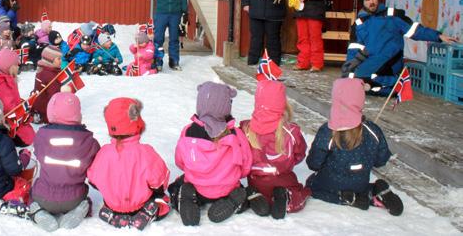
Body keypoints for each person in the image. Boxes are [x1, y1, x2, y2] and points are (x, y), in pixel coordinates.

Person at [306, 78, 403, 216]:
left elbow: (313, 163)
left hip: (330, 183)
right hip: (360, 183)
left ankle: (345, 198)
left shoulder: (328, 131)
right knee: (357, 185)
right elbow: (381, 161)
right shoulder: (373, 130)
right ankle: (374, 192)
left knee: (312, 185)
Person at [343, 0, 457, 96]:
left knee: (369, 77)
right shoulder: (359, 24)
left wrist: (438, 36)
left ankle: (397, 82)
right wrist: (348, 71)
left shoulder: (392, 15)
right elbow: (354, 48)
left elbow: (415, 30)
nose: (371, 2)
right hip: (373, 60)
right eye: (367, 0)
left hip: (392, 59)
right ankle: (380, 88)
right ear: (363, 3)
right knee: (355, 79)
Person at [171, 82, 251, 226]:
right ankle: (234, 201)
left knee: (177, 186)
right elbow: (246, 166)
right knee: (241, 192)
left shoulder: (188, 132)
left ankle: (187, 198)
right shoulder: (236, 134)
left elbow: (180, 161)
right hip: (228, 188)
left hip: (198, 187)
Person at [87, 98, 170, 230]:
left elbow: (93, 180)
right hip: (140, 204)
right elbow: (159, 182)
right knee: (163, 198)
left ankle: (112, 213)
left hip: (113, 205)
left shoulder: (104, 153)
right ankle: (146, 212)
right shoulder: (145, 153)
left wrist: (110, 188)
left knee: (112, 199)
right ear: (136, 121)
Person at [30, 92, 100, 232]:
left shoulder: (41, 136)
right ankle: (81, 210)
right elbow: (95, 164)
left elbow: (37, 152)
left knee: (32, 197)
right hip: (74, 198)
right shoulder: (88, 141)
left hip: (43, 196)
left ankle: (37, 211)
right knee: (85, 200)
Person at [240, 80, 311, 219]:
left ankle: (253, 194)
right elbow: (299, 155)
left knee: (260, 189)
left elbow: (241, 157)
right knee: (301, 193)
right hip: (284, 180)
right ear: (282, 103)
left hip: (256, 181)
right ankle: (288, 199)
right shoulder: (292, 131)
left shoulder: (245, 129)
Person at [148, 0, 188, 71]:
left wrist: (184, 12)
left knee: (174, 38)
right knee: (159, 38)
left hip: (175, 14)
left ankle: (174, 61)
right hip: (161, 13)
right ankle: (158, 61)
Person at [0, 49, 35, 146]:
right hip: (8, 121)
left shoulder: (7, 77)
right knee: (28, 138)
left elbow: (14, 98)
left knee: (30, 133)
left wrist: (22, 104)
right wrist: (23, 111)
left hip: (15, 116)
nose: (19, 67)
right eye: (16, 65)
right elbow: (8, 108)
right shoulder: (0, 83)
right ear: (9, 67)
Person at [31, 45, 63, 124]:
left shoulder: (42, 69)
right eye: (58, 59)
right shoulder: (50, 75)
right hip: (46, 109)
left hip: (37, 104)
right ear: (50, 60)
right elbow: (54, 97)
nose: (61, 61)